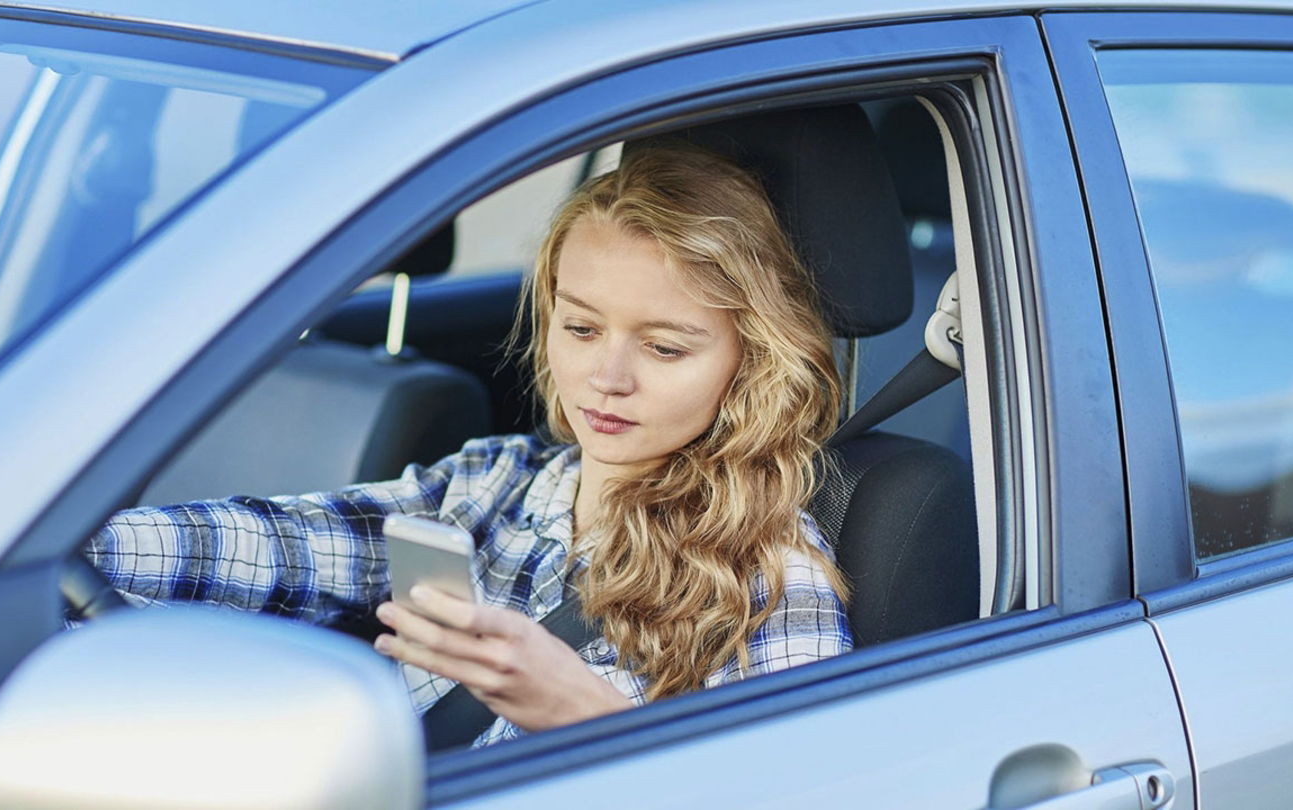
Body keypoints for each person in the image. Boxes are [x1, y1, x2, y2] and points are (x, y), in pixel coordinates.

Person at [85, 145, 853, 747]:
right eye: (581, 329)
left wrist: (584, 717)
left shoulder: (771, 572)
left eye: (665, 349)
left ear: (749, 359)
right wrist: (50, 552)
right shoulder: (489, 483)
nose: (607, 378)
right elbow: (282, 542)